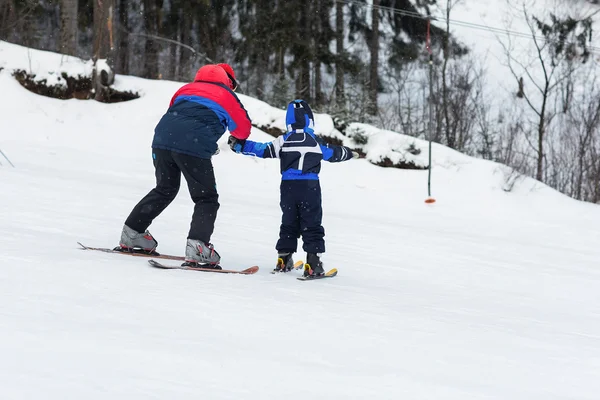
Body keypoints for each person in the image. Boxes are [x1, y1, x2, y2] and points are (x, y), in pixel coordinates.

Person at [118, 63, 251, 268]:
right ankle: (198, 248)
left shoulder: (185, 89)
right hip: (193, 145)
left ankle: (132, 233)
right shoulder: (227, 95)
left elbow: (178, 116)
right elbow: (242, 130)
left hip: (162, 140)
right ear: (229, 81)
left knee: (165, 189)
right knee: (206, 198)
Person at [228, 99, 357, 277]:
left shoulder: (284, 140)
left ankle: (283, 258)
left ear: (288, 121)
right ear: (309, 120)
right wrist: (349, 153)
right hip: (309, 187)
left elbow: (262, 149)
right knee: (311, 222)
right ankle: (313, 264)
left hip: (288, 187)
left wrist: (240, 145)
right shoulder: (315, 142)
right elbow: (334, 153)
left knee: (289, 221)